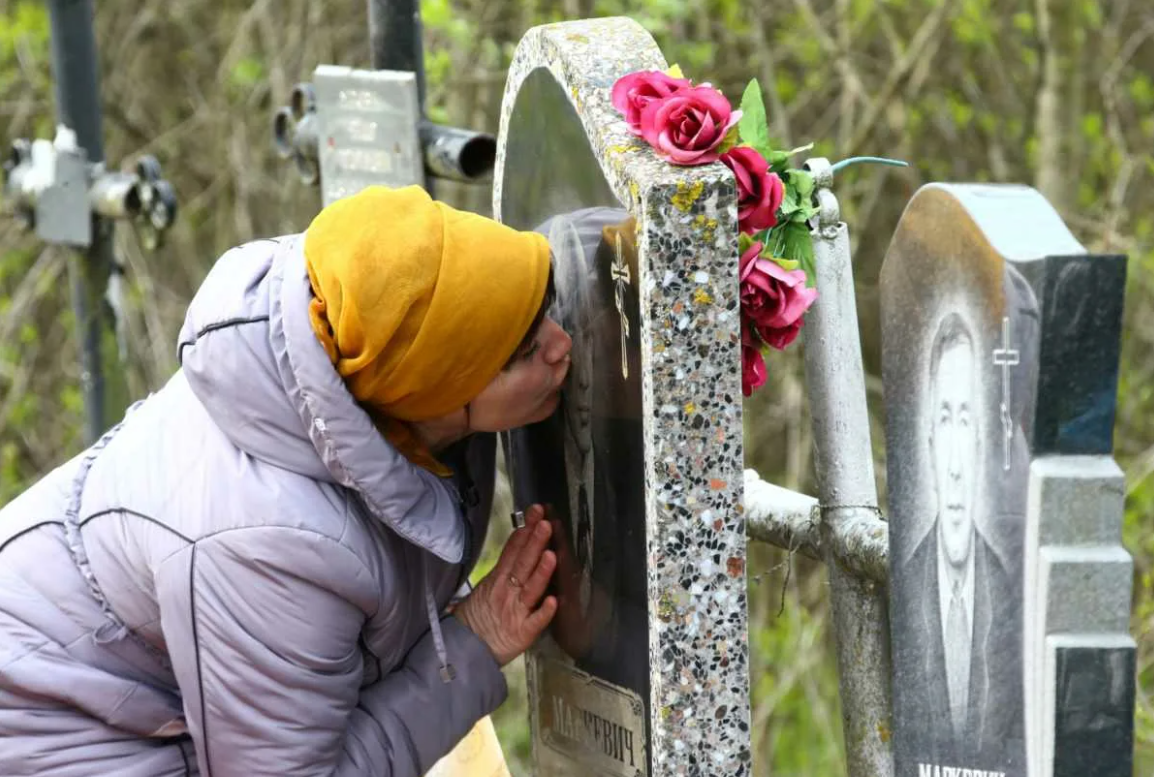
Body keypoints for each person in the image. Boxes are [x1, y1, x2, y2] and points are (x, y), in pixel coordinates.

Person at [0, 185, 574, 776]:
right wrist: (474, 644)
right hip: (57, 738)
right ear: (436, 398)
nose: (564, 347)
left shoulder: (363, 326)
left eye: (544, 310)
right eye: (526, 350)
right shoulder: (269, 542)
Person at [901, 310, 1023, 770]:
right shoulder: (903, 585)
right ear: (929, 439)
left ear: (980, 443)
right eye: (945, 419)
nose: (954, 465)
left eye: (967, 420)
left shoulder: (1011, 595)